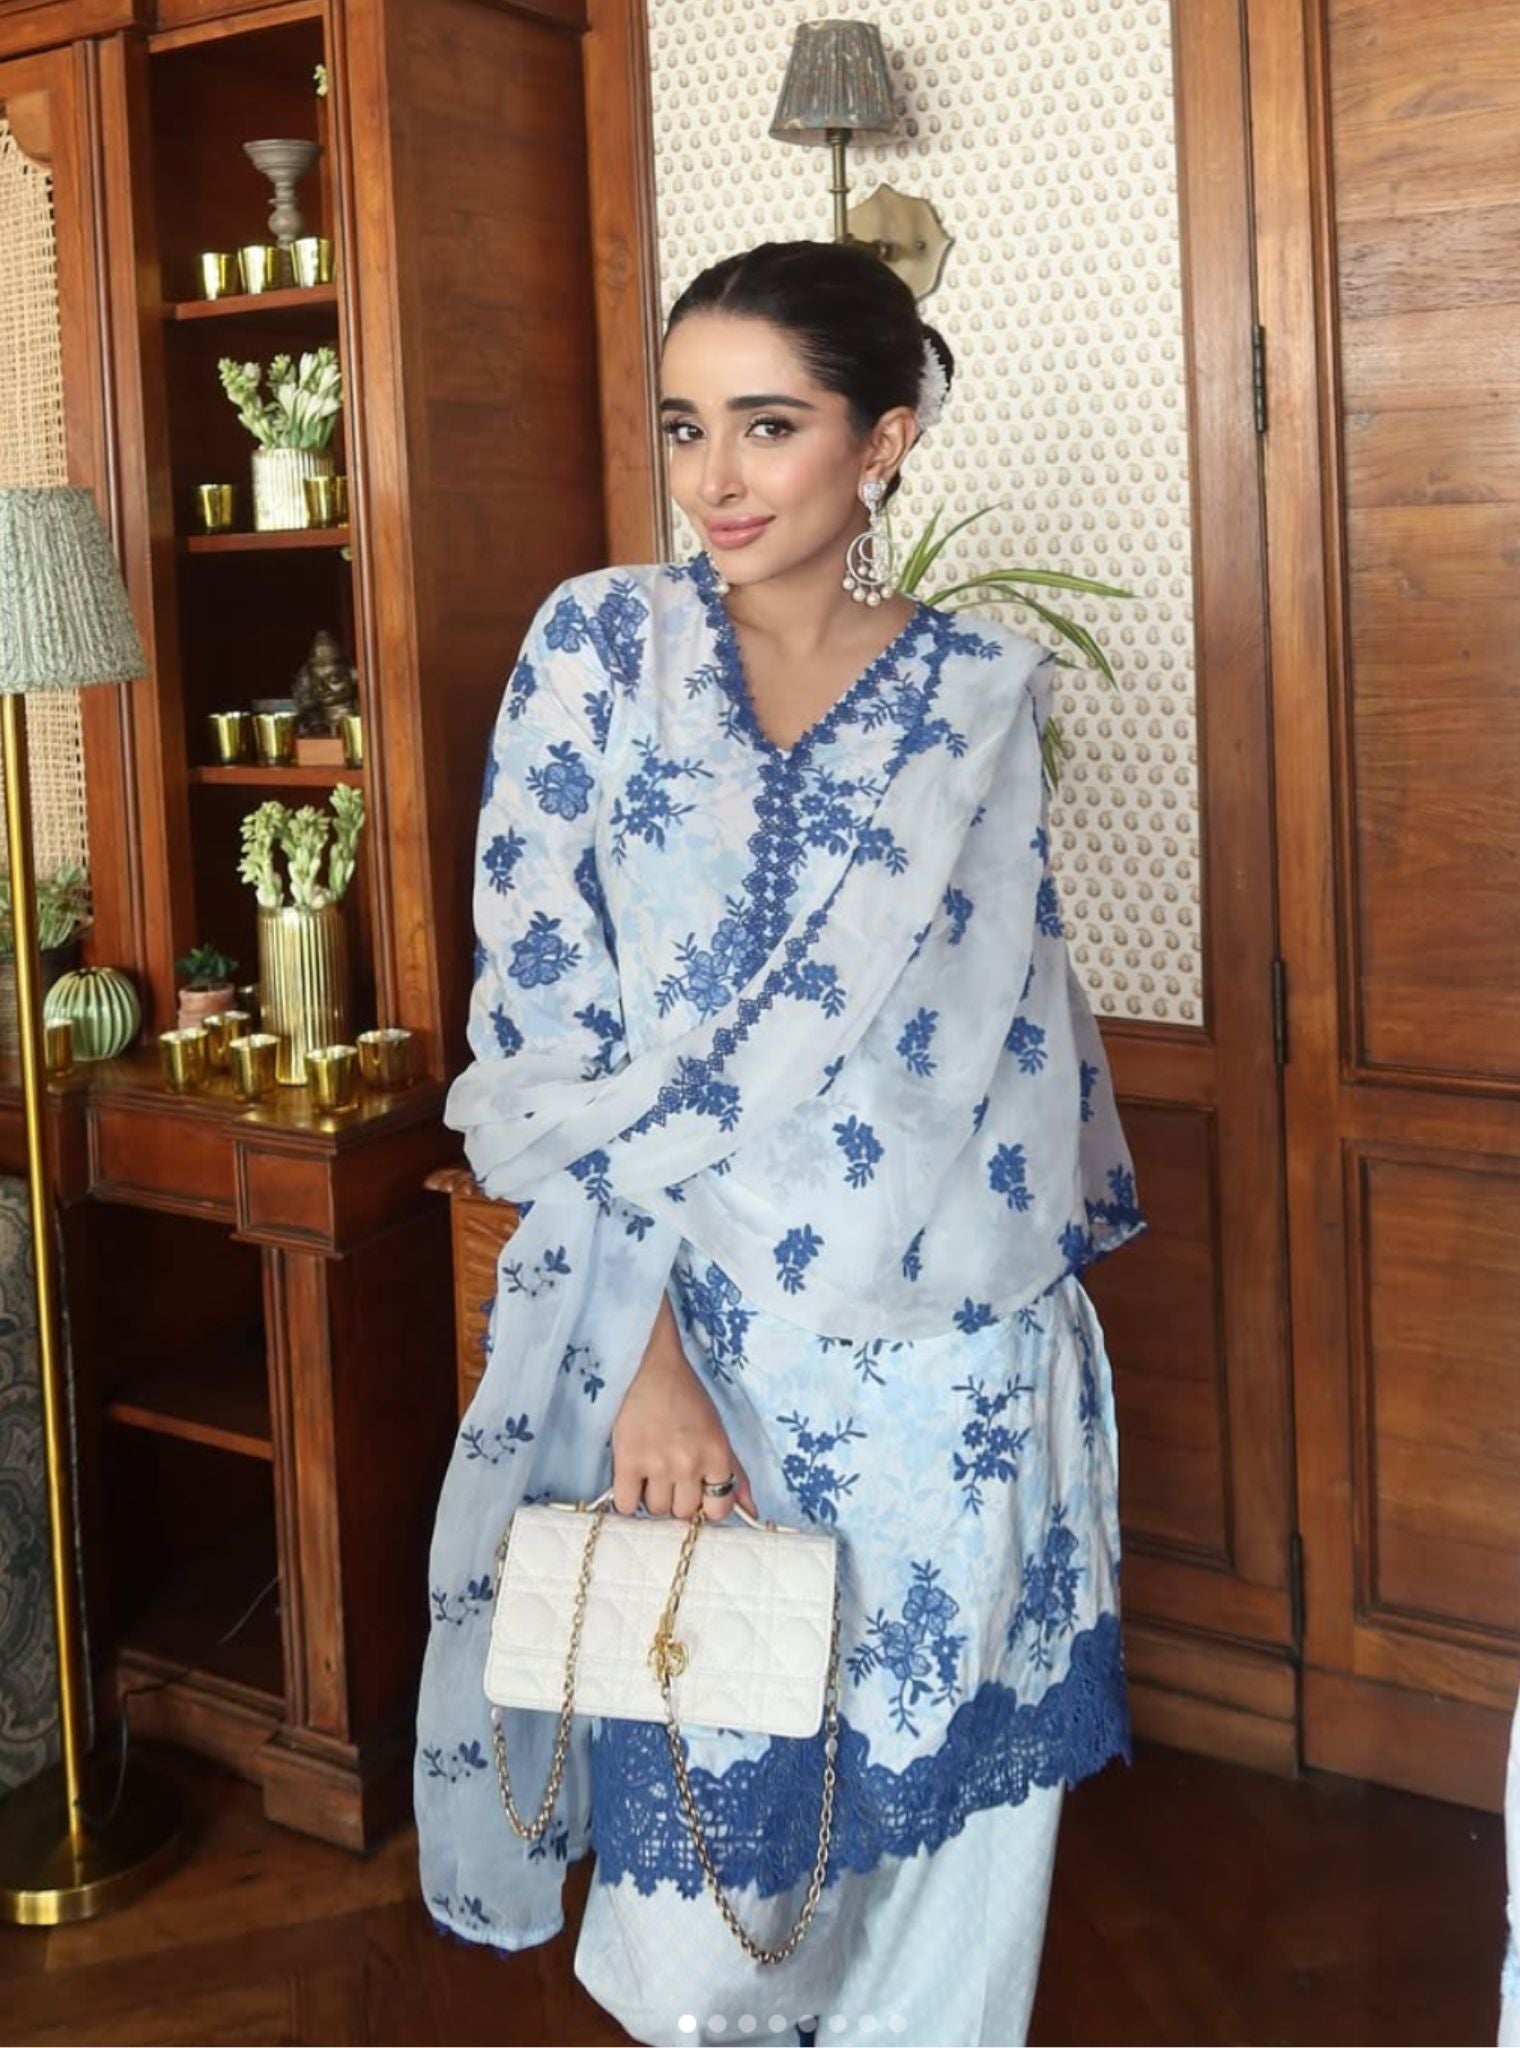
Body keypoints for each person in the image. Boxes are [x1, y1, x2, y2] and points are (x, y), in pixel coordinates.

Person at [414, 239, 1142, 2048]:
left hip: (963, 1364)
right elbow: (542, 1025)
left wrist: (1009, 1339)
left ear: (881, 442)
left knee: (950, 1887)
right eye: (685, 427)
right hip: (707, 1352)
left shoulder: (975, 689)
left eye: (768, 424)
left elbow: (1002, 1038)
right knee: (709, 1929)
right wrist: (648, 1363)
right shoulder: (602, 647)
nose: (715, 477)